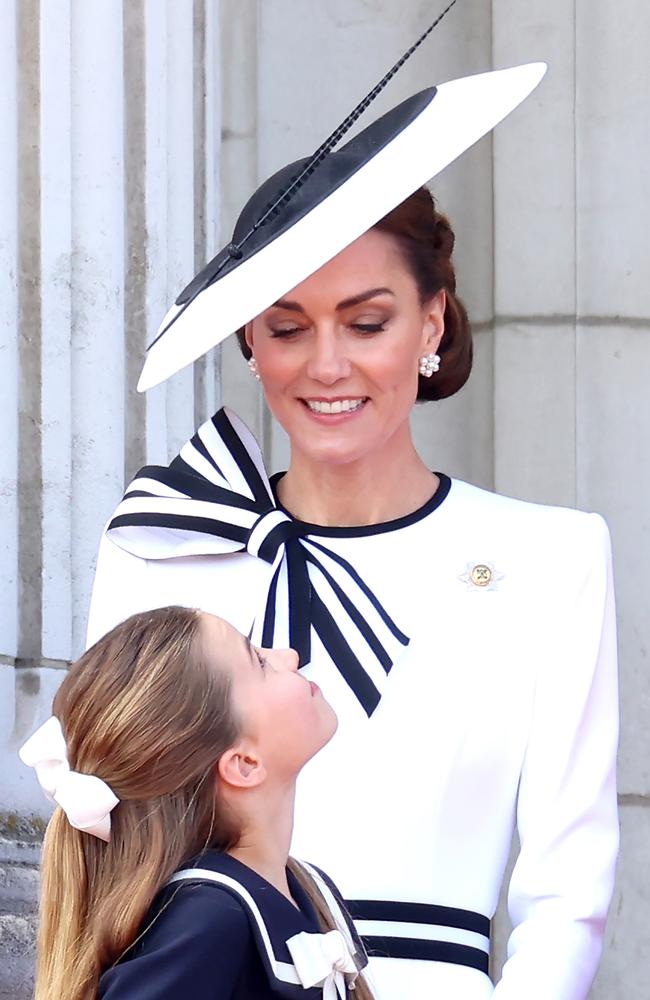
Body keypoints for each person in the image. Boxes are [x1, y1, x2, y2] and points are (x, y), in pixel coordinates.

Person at [86, 60, 617, 1000]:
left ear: (431, 324)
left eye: (366, 322)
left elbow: (567, 895)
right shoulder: (160, 546)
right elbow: (110, 848)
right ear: (249, 343)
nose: (326, 366)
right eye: (287, 329)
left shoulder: (555, 558)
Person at [20, 606, 372, 1000]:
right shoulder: (211, 920)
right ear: (243, 764)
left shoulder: (307, 889)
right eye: (259, 661)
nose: (288, 655)